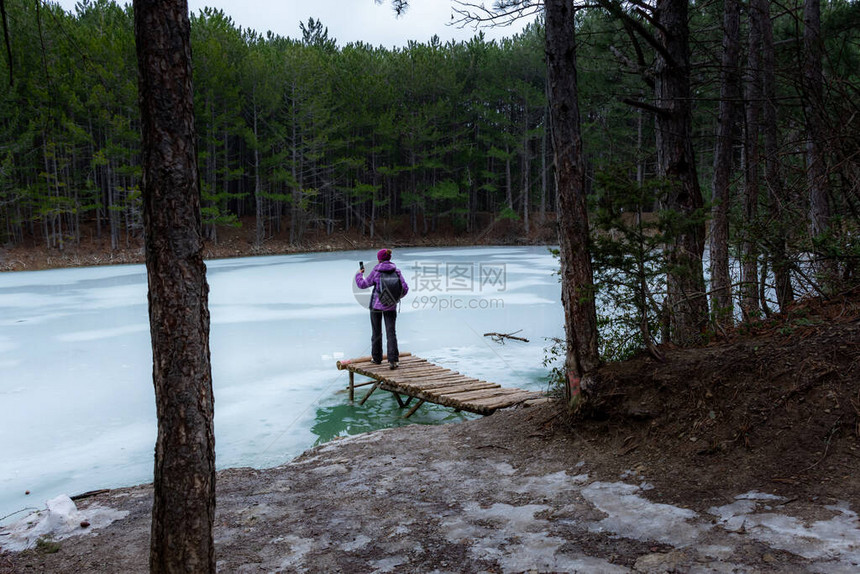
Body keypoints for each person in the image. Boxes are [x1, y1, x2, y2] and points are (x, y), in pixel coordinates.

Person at [355, 248, 409, 369]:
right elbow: (405, 289)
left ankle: (377, 358)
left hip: (375, 306)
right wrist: (394, 298)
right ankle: (393, 360)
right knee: (391, 332)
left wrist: (359, 274)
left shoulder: (376, 271)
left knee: (376, 332)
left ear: (379, 259)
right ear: (389, 258)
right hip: (391, 307)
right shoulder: (397, 271)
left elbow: (362, 284)